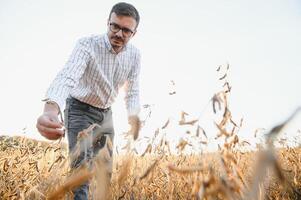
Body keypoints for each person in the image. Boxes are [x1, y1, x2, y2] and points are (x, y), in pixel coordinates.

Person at [36, 2, 141, 199]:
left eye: (126, 30)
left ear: (134, 33)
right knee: (82, 171)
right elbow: (68, 75)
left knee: (104, 173)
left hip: (106, 114)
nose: (119, 33)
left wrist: (133, 117)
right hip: (79, 109)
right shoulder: (87, 44)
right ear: (108, 22)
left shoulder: (135, 56)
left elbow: (133, 90)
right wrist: (51, 108)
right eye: (115, 26)